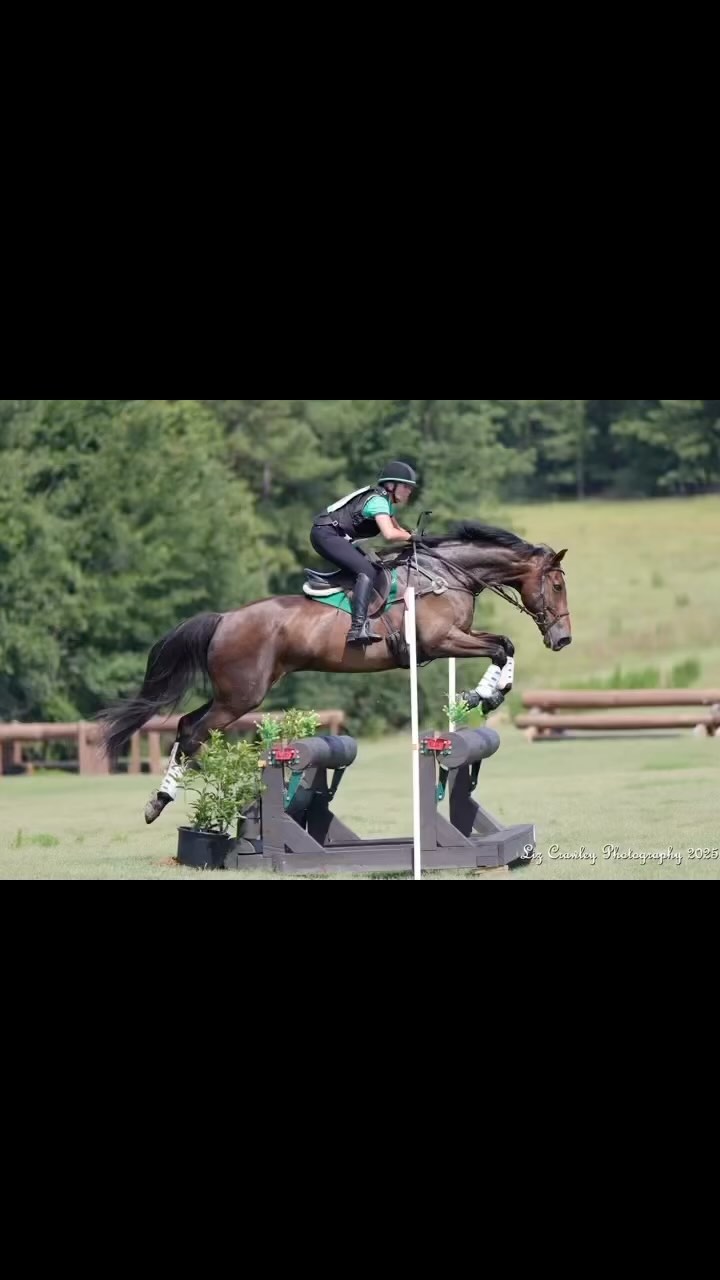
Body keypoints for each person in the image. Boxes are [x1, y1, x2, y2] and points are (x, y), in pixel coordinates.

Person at [311, 462, 418, 644]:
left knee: (373, 567)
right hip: (326, 535)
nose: (409, 491)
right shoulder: (378, 501)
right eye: (406, 486)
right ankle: (357, 628)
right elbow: (390, 534)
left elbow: (399, 530)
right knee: (366, 571)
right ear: (391, 485)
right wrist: (413, 538)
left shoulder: (385, 502)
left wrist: (414, 537)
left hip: (332, 535)